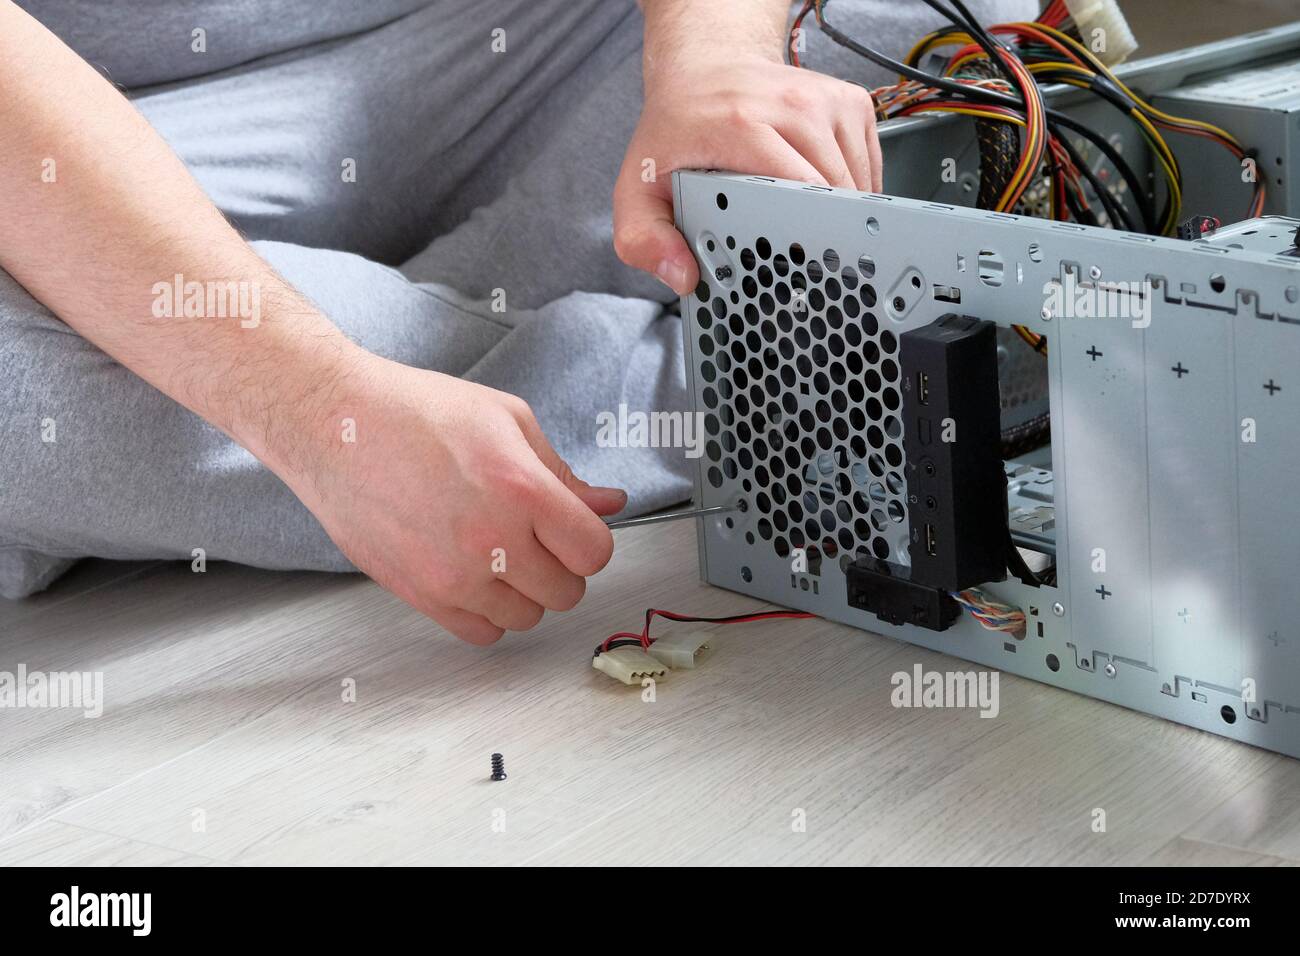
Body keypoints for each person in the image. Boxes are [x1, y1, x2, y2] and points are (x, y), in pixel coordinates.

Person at [0, 0, 1034, 642]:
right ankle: (793, 390)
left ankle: (431, 349)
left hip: (527, 39)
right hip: (87, 134)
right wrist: (316, 409)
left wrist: (713, 53)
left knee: (931, 9)